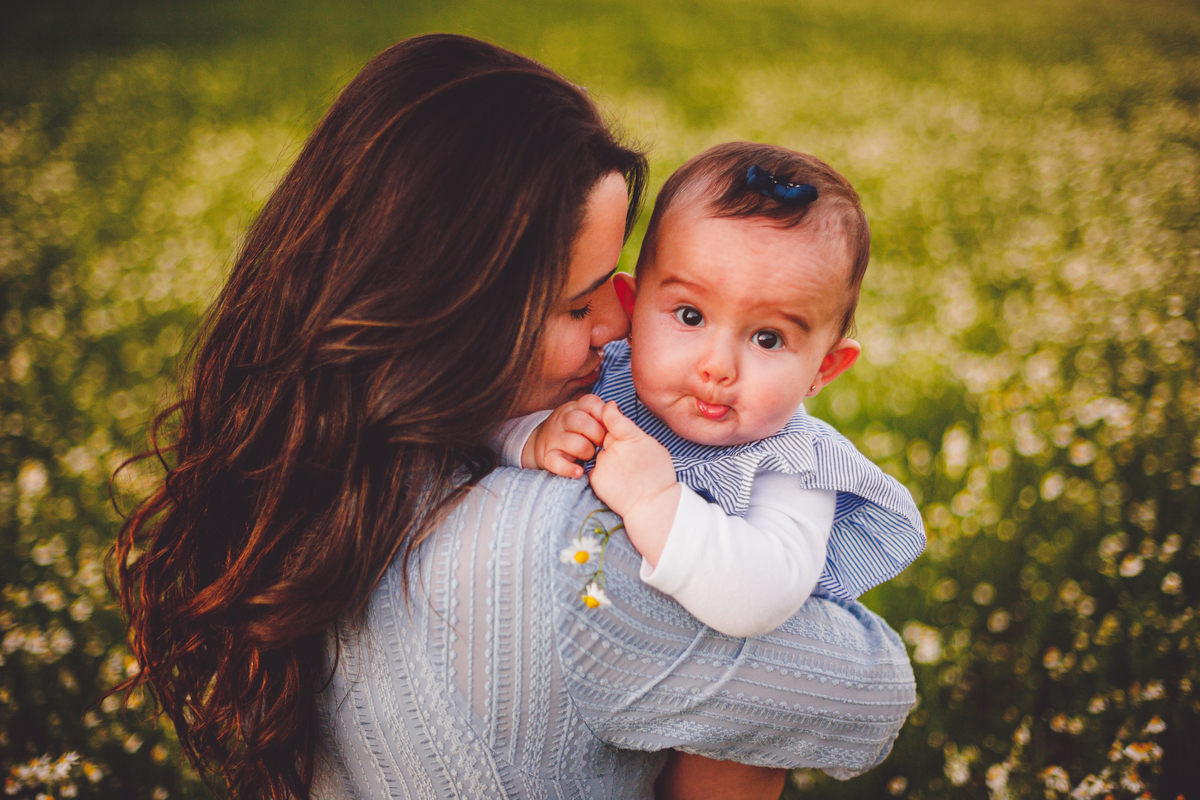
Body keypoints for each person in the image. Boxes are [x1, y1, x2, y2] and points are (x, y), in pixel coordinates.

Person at [112, 34, 916, 800]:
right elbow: (870, 691)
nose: (614, 328)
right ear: (454, 316)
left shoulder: (330, 473)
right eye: (578, 303)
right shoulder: (576, 556)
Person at [495, 142, 925, 798]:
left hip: (715, 722)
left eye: (768, 338)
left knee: (731, 764)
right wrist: (530, 438)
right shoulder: (602, 381)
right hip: (593, 695)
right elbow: (478, 433)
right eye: (690, 317)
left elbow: (761, 595)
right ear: (633, 308)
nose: (718, 365)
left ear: (824, 369)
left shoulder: (791, 467)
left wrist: (656, 503)